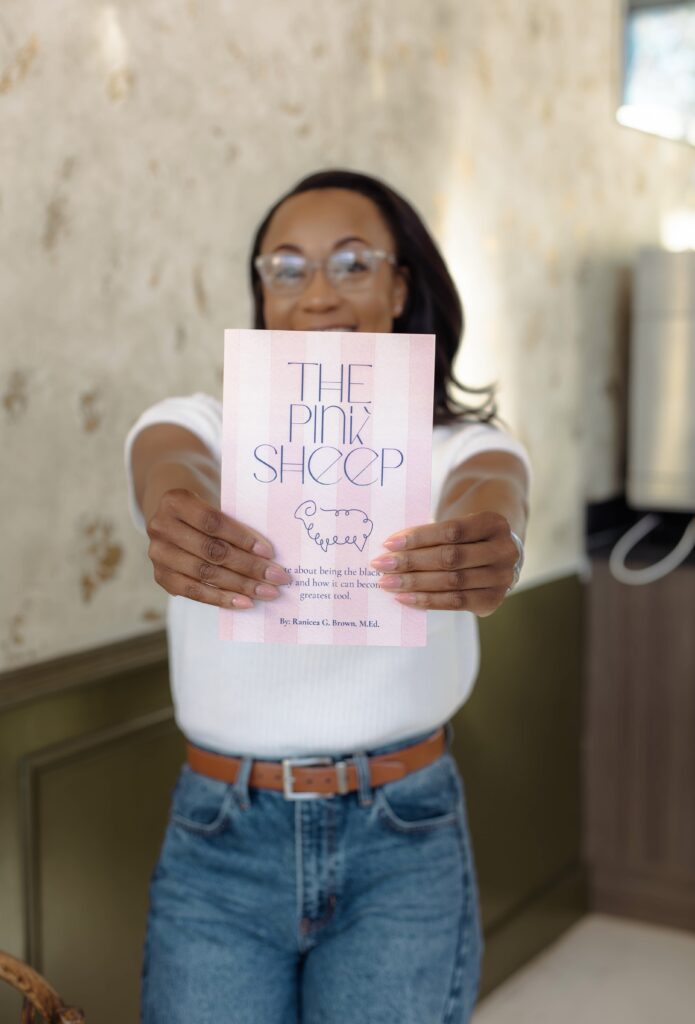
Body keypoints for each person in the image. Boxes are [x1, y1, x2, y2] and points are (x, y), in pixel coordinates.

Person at [124, 169, 531, 1024]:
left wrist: (487, 541)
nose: (317, 293)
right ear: (261, 291)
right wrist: (179, 512)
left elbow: (491, 488)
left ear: (400, 286)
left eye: (351, 263)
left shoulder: (462, 446)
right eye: (287, 266)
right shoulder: (201, 422)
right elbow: (170, 461)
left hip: (403, 833)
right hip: (221, 835)